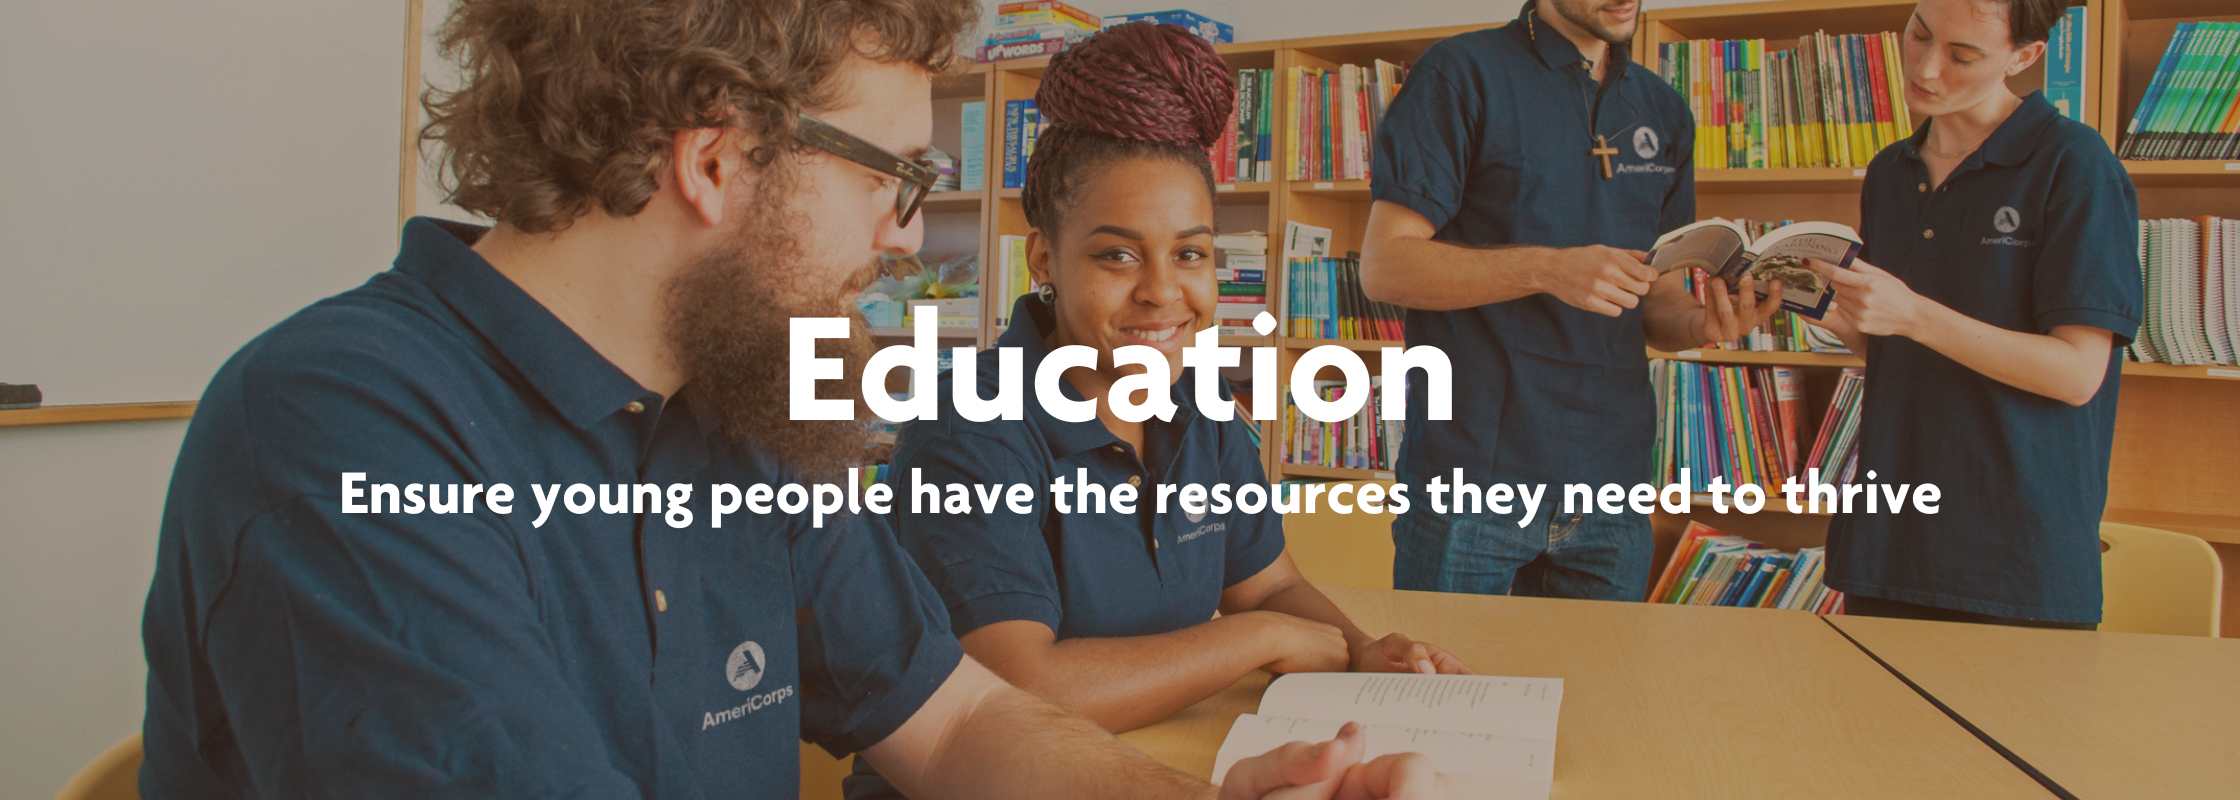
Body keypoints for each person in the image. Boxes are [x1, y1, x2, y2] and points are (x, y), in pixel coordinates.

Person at [135, 2, 1452, 798]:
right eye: (895, 176)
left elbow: (957, 723)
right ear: (717, 160)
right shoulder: (338, 427)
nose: (903, 235)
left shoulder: (745, 419)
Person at [845, 22, 1468, 800]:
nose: (1163, 291)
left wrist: (1360, 648)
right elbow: (1018, 687)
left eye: (1191, 253)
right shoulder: (969, 427)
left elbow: (1266, 584)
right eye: (1118, 255)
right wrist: (1260, 640)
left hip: (1163, 764)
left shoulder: (1199, 401)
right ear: (1044, 259)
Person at [1358, 0, 1781, 601]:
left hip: (1613, 484)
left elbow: (1655, 296)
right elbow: (1385, 267)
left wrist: (1701, 324)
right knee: (1446, 667)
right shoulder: (1459, 73)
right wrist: (1549, 268)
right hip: (1474, 475)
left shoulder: (1663, 109)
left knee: (1596, 670)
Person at [1806, 0, 2139, 629]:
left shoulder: (2074, 163)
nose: (1926, 68)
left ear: (2024, 56)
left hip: (2015, 559)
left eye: (1962, 55)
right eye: (1919, 35)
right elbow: (1906, 353)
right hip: (1887, 543)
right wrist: (1831, 313)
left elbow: (2076, 374)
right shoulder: (1890, 171)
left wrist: (1911, 314)